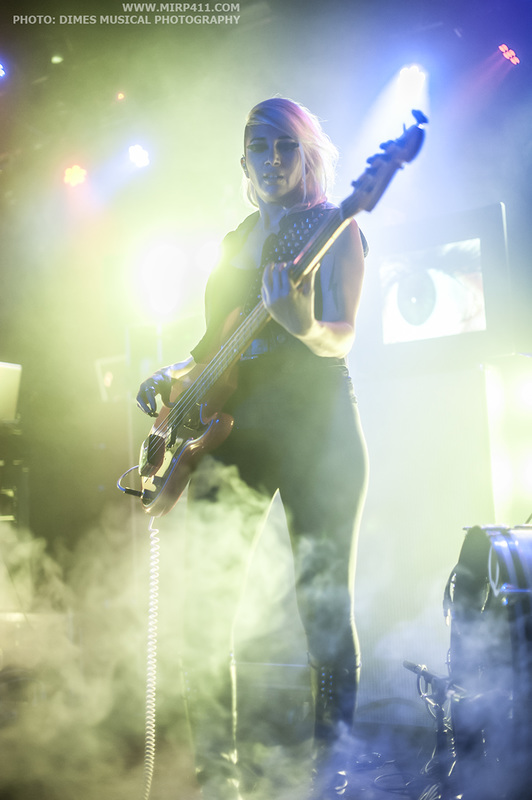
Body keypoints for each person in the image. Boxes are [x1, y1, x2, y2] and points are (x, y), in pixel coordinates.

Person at [136, 97, 369, 799]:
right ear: (243, 159)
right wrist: (170, 375)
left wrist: (301, 323)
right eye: (259, 146)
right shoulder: (234, 240)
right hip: (234, 429)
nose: (272, 159)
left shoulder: (333, 227)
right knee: (205, 610)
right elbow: (213, 345)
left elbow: (340, 335)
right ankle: (219, 780)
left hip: (318, 427)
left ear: (307, 154)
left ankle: (335, 777)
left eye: (284, 146)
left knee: (323, 607)